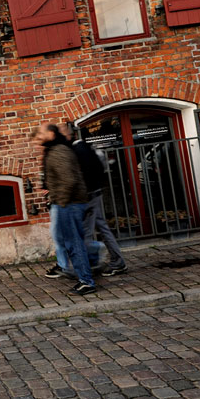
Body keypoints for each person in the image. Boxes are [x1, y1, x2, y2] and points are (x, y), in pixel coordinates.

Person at [60, 122, 128, 277]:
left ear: (69, 135)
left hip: (87, 196)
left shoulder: (78, 151)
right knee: (102, 229)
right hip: (95, 193)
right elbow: (100, 169)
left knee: (85, 233)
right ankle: (117, 262)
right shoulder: (86, 147)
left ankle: (89, 265)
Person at [36, 122, 96, 295]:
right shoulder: (55, 151)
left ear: (51, 135)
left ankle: (87, 281)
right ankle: (87, 273)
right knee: (73, 242)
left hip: (69, 205)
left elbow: (69, 180)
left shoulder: (59, 152)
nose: (38, 137)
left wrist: (60, 202)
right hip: (68, 203)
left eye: (42, 133)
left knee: (74, 244)